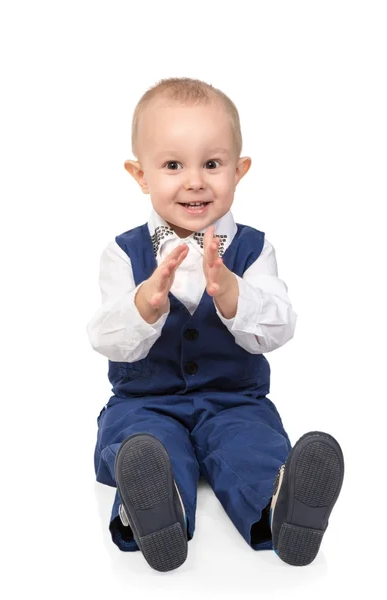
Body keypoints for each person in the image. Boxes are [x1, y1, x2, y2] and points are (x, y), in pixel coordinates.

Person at [87, 77, 344, 572]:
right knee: (143, 444)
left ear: (239, 170)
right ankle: (156, 509)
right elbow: (105, 338)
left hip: (234, 401)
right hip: (147, 402)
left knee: (252, 446)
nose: (195, 181)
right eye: (172, 165)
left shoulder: (252, 250)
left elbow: (278, 328)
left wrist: (233, 294)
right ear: (140, 175)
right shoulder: (124, 253)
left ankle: (280, 509)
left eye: (212, 164)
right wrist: (144, 304)